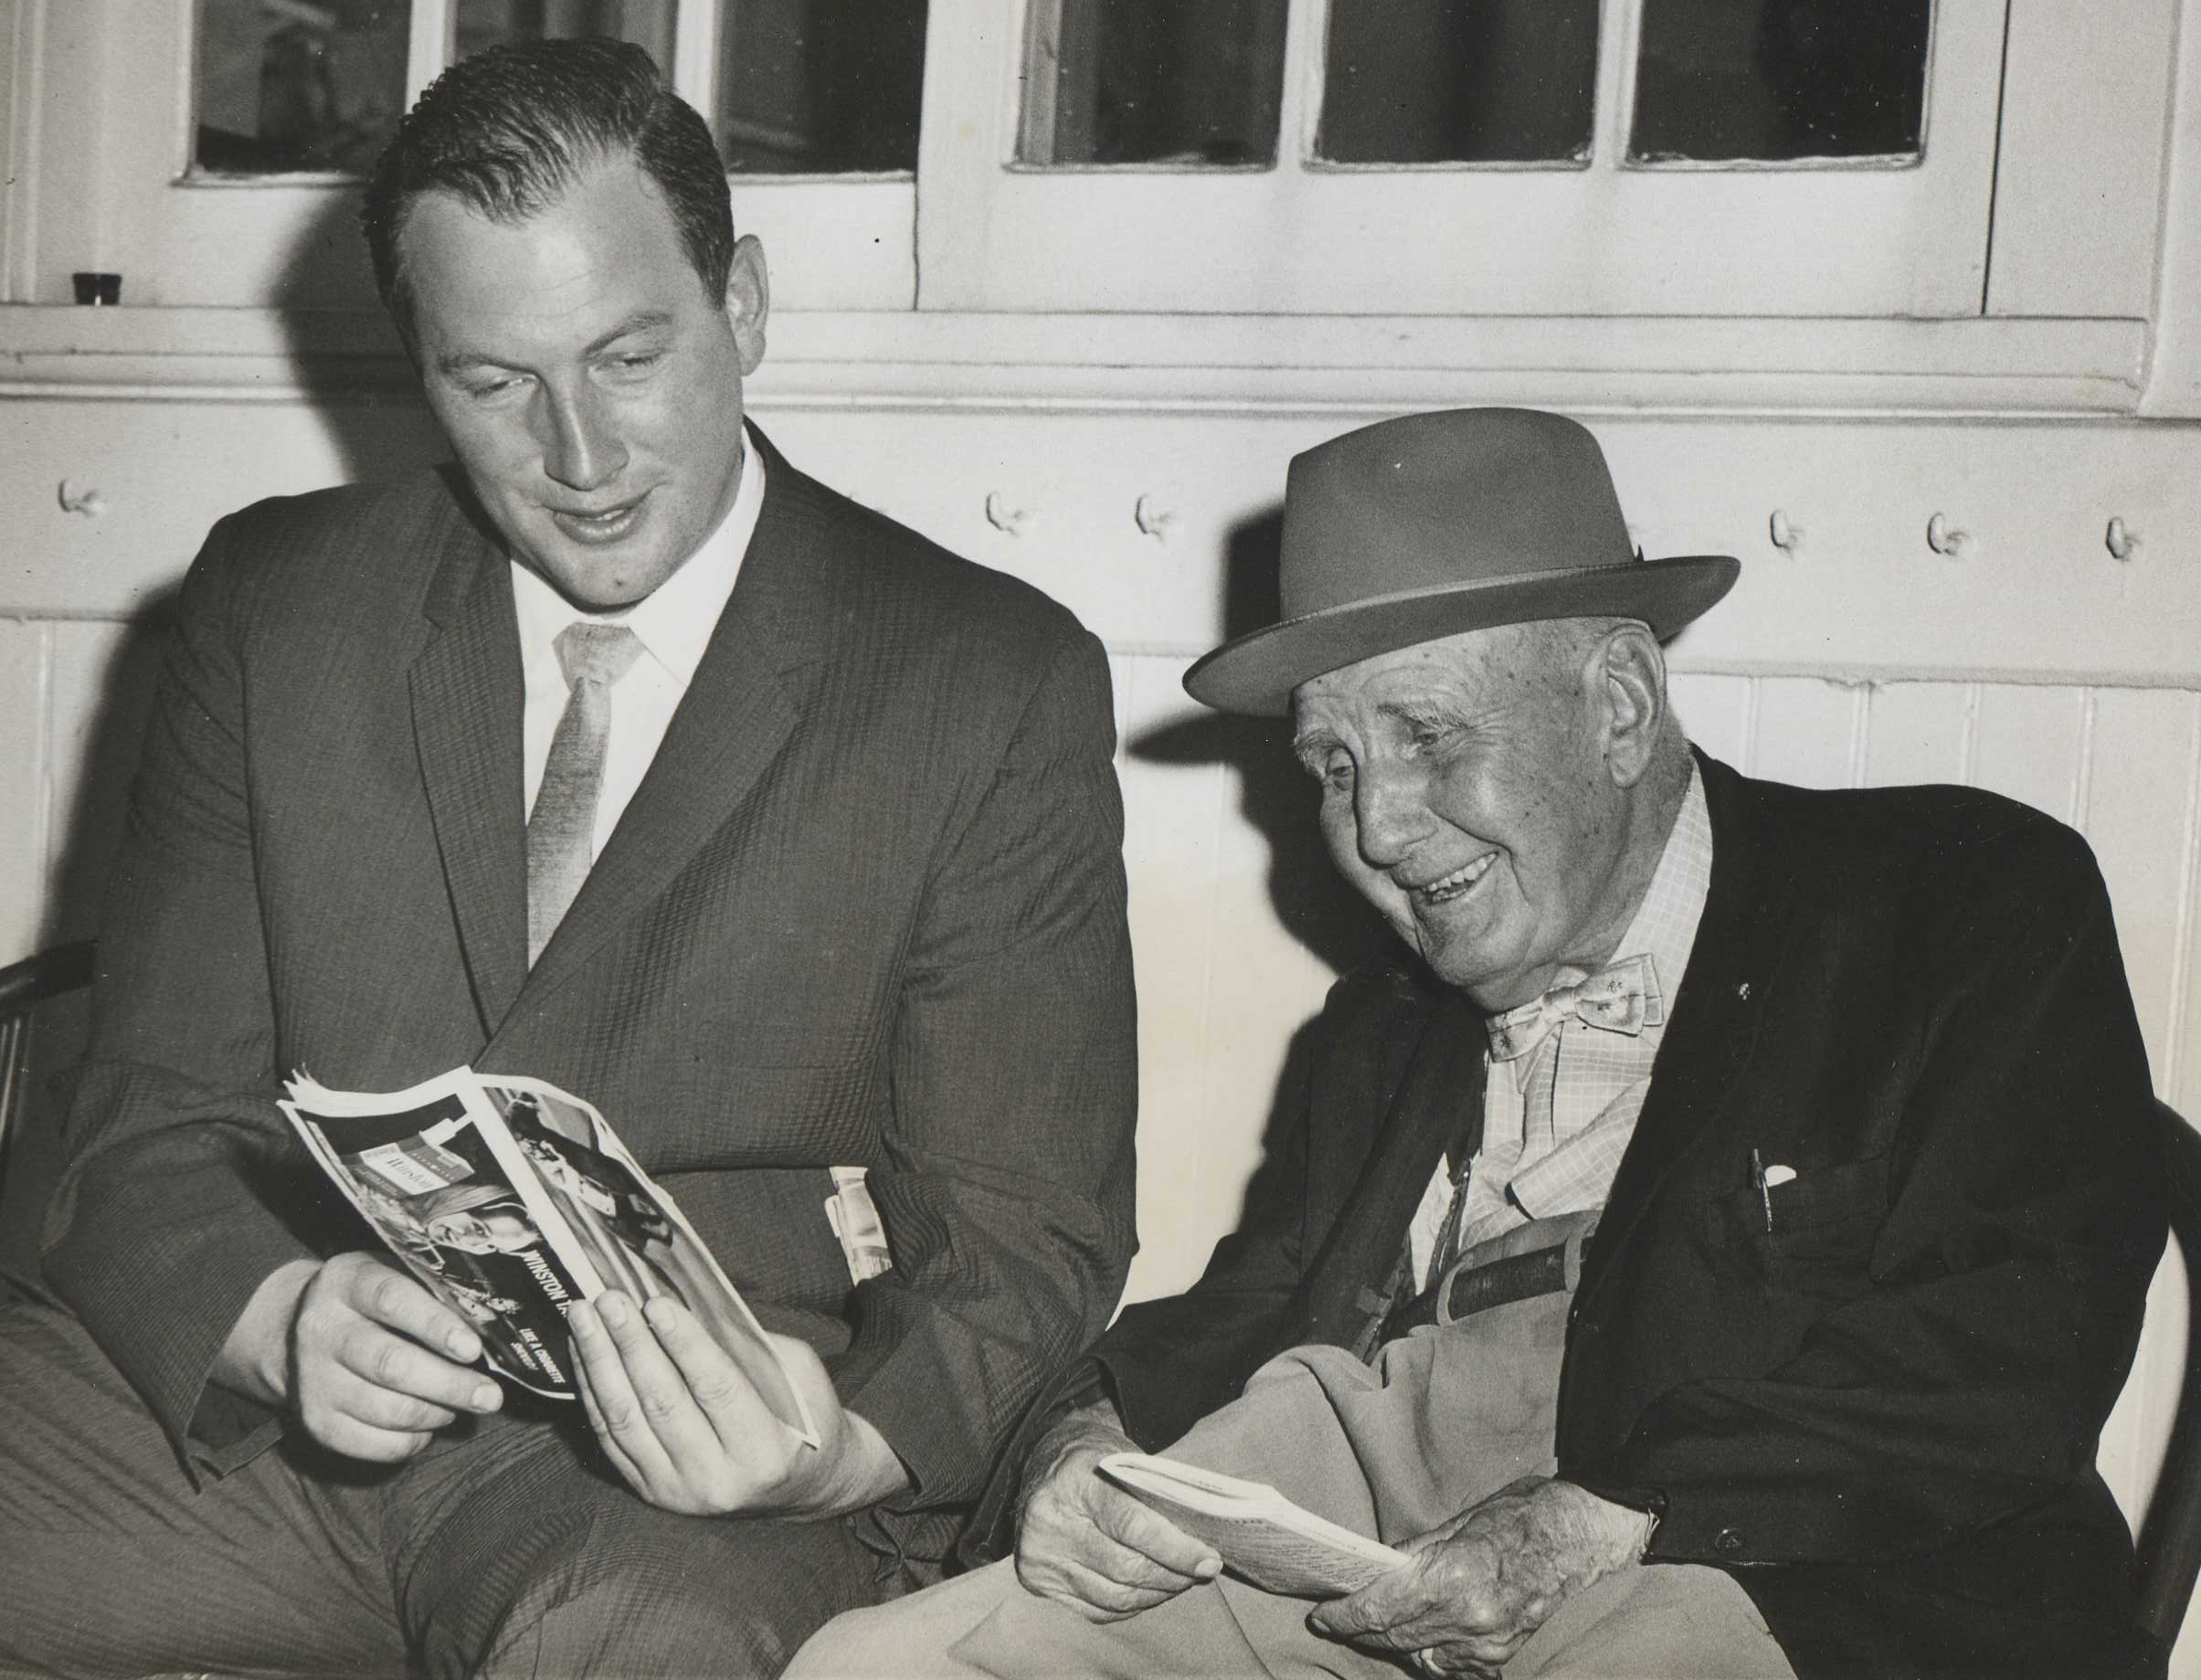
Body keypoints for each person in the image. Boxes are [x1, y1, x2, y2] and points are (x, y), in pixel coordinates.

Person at [0, 38, 1137, 1678]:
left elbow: (1029, 1236)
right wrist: (278, 1319)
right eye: (495, 384)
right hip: (261, 1439)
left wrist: (830, 1450)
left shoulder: (981, 675)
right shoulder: (278, 606)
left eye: (627, 356)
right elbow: (139, 1129)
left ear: (740, 305)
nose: (581, 459)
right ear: (417, 367)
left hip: (682, 1501)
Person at [790, 406, 2168, 1680]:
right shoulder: (1381, 1023)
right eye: (1334, 764)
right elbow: (1248, 1313)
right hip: (1381, 1551)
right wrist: (1081, 1441)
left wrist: (1602, 1513)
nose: (1376, 825)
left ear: (1619, 705)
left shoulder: (1956, 901)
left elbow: (2006, 1343)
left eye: (1429, 737)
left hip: (1790, 1569)